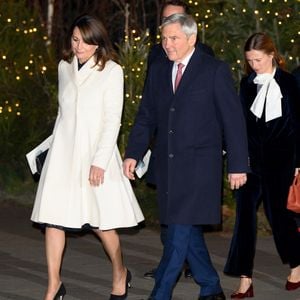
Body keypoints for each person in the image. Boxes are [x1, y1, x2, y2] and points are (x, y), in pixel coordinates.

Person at [123, 13, 248, 300]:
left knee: (178, 232)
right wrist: (133, 153)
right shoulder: (157, 70)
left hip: (200, 167)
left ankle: (160, 293)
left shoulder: (213, 70)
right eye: (164, 38)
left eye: (174, 38)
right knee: (185, 230)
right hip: (168, 166)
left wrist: (239, 165)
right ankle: (211, 286)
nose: (167, 44)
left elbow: (233, 120)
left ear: (192, 39)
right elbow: (146, 117)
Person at [31, 14, 144, 300]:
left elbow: (112, 121)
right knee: (52, 220)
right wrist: (49, 151)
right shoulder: (64, 68)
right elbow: (62, 115)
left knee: (101, 223)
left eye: (84, 41)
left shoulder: (112, 71)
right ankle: (53, 285)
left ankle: (120, 272)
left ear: (97, 42)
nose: (78, 46)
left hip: (96, 155)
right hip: (63, 156)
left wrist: (100, 160)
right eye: (74, 39)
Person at [224, 32, 300, 298]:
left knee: (279, 216)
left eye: (258, 59)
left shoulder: (290, 83)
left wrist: (299, 163)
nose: (254, 65)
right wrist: (237, 158)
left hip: (282, 162)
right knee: (244, 217)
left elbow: (298, 126)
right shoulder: (247, 84)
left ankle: (297, 264)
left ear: (271, 55)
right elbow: (239, 125)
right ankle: (245, 279)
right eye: (250, 60)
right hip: (251, 161)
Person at [143, 0, 214, 281]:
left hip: (192, 155)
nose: (166, 25)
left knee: (180, 221)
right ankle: (209, 283)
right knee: (176, 222)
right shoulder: (156, 55)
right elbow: (150, 106)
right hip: (166, 150)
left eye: (172, 19)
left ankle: (165, 279)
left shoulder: (205, 57)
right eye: (163, 20)